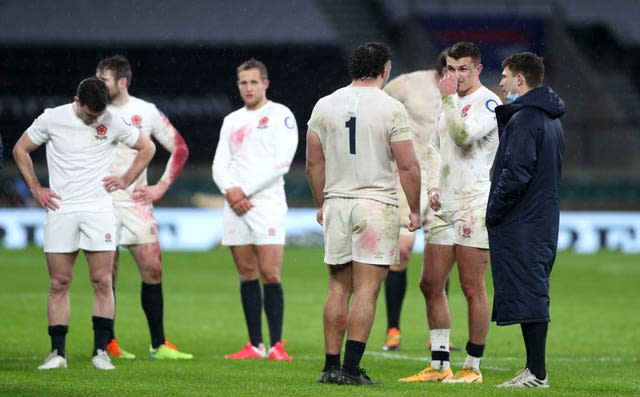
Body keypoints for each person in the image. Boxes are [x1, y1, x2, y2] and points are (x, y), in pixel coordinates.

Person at [12, 77, 156, 370]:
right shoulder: (53, 118)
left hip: (98, 209)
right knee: (58, 283)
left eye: (99, 115)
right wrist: (36, 189)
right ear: (77, 102)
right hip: (61, 209)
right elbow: (20, 149)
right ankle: (57, 354)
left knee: (103, 281)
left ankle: (100, 352)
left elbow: (147, 148)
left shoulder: (112, 120)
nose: (95, 120)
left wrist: (126, 179)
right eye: (91, 115)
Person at [307, 42, 421, 385]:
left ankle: (330, 368)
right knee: (367, 291)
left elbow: (314, 162)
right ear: (385, 69)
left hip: (338, 202)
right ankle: (352, 370)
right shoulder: (391, 108)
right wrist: (414, 207)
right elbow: (408, 166)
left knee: (337, 289)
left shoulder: (325, 105)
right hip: (376, 205)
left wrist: (320, 203)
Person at [399, 42, 501, 384]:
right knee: (430, 283)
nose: (454, 75)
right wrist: (430, 188)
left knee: (472, 287)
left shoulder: (488, 102)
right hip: (443, 205)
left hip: (473, 204)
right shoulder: (451, 104)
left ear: (477, 70)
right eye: (450, 69)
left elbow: (461, 136)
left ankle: (472, 367)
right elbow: (432, 150)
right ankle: (440, 365)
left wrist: (446, 99)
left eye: (462, 69)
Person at [94, 55, 193, 360]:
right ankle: (106, 343)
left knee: (153, 270)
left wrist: (161, 186)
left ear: (122, 82)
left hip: (135, 203)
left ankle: (159, 344)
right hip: (100, 203)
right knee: (105, 276)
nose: (98, 83)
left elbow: (179, 147)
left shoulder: (145, 112)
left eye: (104, 79)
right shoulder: (89, 112)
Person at [212, 58, 298, 361]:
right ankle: (254, 345)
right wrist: (231, 191)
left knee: (270, 273)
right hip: (235, 204)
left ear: (265, 83)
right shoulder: (232, 120)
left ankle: (276, 345)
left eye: (253, 82)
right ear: (238, 85)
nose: (248, 87)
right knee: (246, 273)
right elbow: (219, 165)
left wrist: (243, 191)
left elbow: (283, 163)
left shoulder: (280, 115)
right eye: (243, 82)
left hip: (266, 203)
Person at [489, 52, 565, 388]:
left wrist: (494, 209)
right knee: (530, 292)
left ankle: (537, 373)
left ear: (520, 79)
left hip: (523, 222)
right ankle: (533, 369)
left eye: (505, 76)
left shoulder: (525, 120)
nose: (501, 83)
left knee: (530, 295)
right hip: (541, 219)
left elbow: (516, 174)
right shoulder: (550, 119)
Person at [380, 49, 453, 352]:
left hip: (444, 182)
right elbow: (378, 107)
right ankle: (393, 328)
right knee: (402, 250)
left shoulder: (467, 96)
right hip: (405, 177)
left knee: (440, 259)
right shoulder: (408, 84)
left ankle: (437, 336)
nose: (455, 74)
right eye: (451, 67)